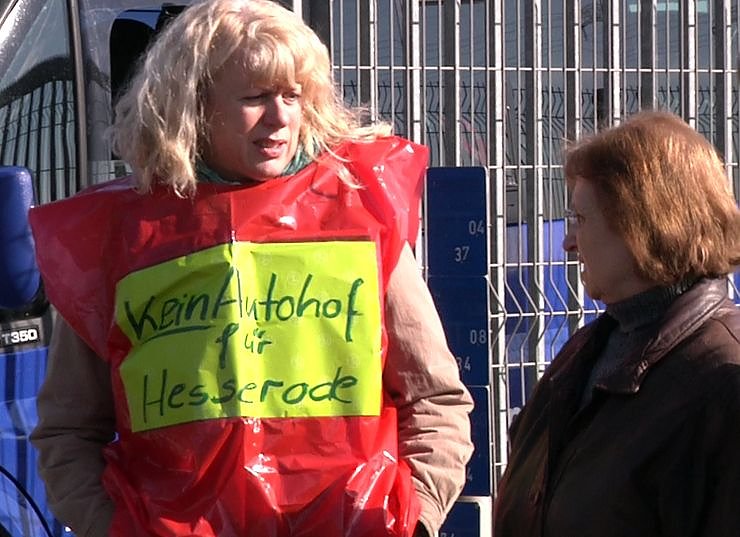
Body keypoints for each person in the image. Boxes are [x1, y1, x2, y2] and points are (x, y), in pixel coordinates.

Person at [28, 1, 474, 536]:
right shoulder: (118, 240)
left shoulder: (361, 212)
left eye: (293, 96)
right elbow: (68, 432)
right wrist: (114, 528)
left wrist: (416, 519)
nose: (280, 117)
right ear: (193, 105)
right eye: (255, 97)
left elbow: (434, 399)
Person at [493, 110, 740, 537]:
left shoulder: (723, 380)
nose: (568, 242)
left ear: (642, 225)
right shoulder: (586, 352)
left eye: (581, 219)